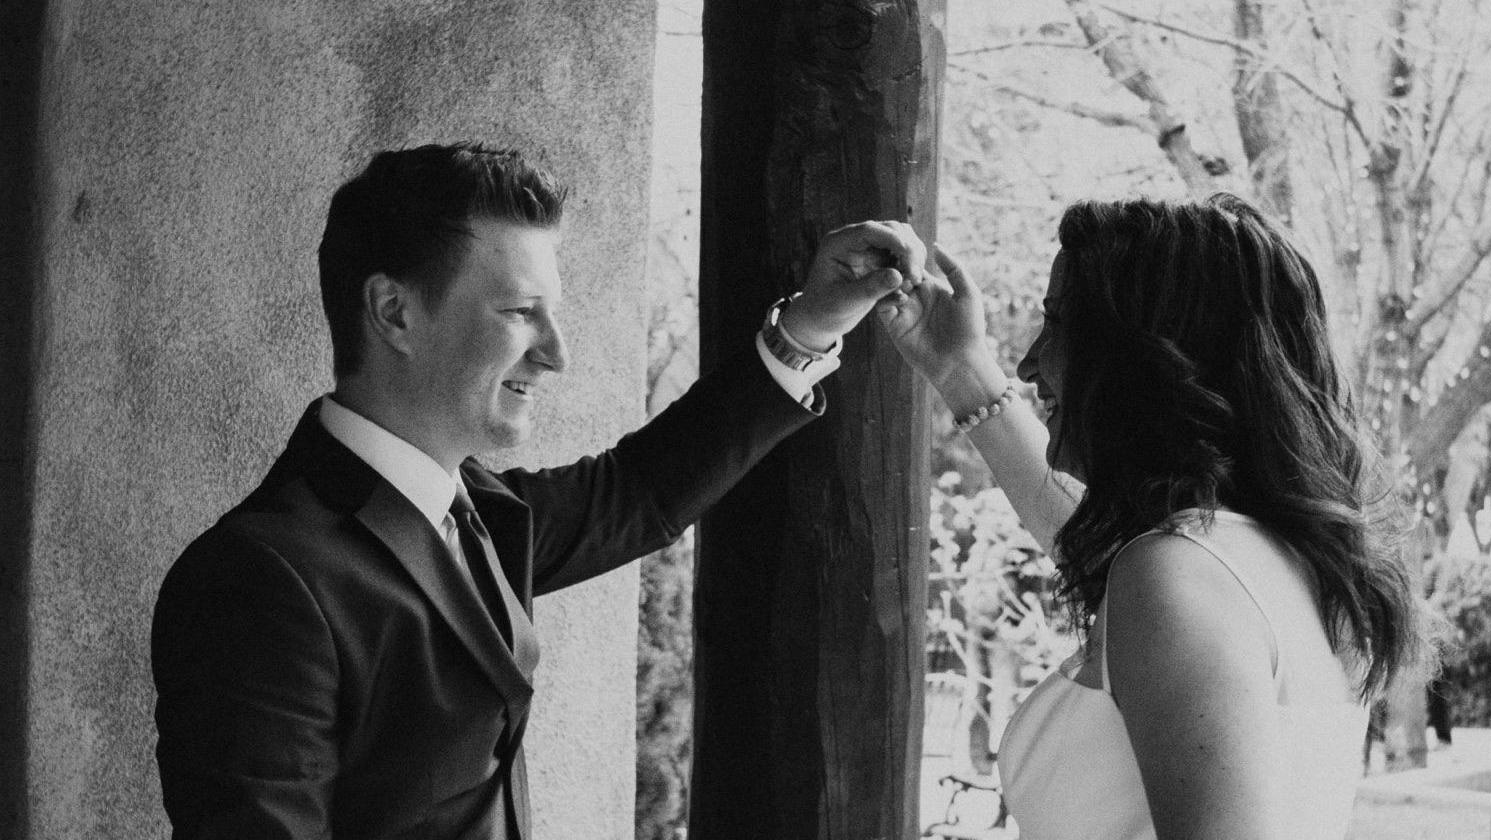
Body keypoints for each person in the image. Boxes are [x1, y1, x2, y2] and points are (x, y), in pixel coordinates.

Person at [151, 142, 924, 840]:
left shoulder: (478, 512)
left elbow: (640, 493)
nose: (556, 353)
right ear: (394, 312)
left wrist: (809, 326)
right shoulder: (260, 580)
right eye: (522, 313)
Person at [878, 193, 1423, 840]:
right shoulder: (1263, 557)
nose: (1029, 361)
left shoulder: (1177, 572)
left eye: (1060, 324)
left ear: (1141, 357)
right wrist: (958, 365)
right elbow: (1083, 538)